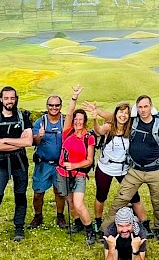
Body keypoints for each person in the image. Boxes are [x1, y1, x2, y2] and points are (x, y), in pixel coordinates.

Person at [94, 95, 159, 243]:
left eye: (145, 106)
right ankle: (105, 230)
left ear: (151, 106)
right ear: (137, 108)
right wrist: (97, 112)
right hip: (134, 170)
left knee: (158, 201)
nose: (143, 110)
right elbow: (115, 117)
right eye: (140, 107)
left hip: (154, 170)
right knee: (120, 199)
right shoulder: (133, 121)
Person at [0, 86, 34, 253]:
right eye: (6, 98)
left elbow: (29, 142)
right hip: (1, 165)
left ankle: (19, 228)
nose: (10, 101)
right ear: (1, 99)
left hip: (20, 163)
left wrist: (4, 140)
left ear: (16, 99)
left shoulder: (23, 116)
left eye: (12, 98)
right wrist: (15, 142)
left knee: (20, 196)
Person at [87, 101, 147, 233]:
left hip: (124, 169)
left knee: (134, 196)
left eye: (126, 113)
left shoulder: (131, 128)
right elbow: (98, 130)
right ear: (116, 113)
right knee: (101, 195)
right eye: (121, 112)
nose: (123, 115)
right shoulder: (109, 127)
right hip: (105, 168)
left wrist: (99, 112)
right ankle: (98, 221)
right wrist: (95, 118)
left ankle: (145, 223)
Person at [57, 85, 99, 245]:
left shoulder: (89, 137)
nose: (78, 122)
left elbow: (89, 160)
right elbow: (68, 113)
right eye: (76, 120)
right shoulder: (67, 132)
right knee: (70, 201)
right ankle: (78, 223)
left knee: (79, 204)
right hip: (62, 173)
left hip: (79, 174)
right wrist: (74, 97)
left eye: (81, 120)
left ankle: (90, 231)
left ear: (85, 122)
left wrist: (73, 166)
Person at [30, 95, 67, 230]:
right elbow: (34, 142)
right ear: (47, 107)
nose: (54, 108)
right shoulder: (40, 122)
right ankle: (38, 216)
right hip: (43, 164)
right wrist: (39, 136)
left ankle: (60, 215)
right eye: (51, 105)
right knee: (38, 192)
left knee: (60, 192)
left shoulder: (65, 122)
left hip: (60, 164)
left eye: (57, 105)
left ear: (61, 107)